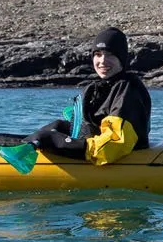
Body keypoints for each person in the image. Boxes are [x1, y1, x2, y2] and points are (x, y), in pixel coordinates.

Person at [24, 27, 151, 165]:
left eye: (110, 54)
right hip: (98, 145)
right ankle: (22, 146)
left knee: (47, 137)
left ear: (121, 58)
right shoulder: (103, 87)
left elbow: (116, 141)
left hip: (113, 155)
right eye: (98, 54)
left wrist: (74, 146)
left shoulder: (128, 90)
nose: (102, 61)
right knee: (56, 126)